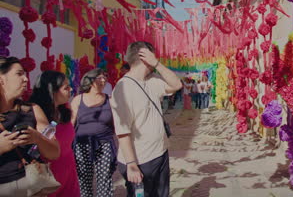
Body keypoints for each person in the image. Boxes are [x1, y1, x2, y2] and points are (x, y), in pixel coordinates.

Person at [110, 41, 182, 197]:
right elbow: (123, 132)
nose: (155, 59)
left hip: (160, 153)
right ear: (144, 57)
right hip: (141, 160)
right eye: (153, 56)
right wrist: (131, 164)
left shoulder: (152, 80)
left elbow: (176, 85)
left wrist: (157, 64)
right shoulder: (123, 89)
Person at [0, 56, 60, 196]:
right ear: (1, 79)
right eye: (19, 74)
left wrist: (37, 138)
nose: (26, 79)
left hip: (30, 187)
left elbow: (55, 153)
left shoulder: (32, 109)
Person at [29, 71, 80, 197]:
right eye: (66, 87)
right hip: (48, 173)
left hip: (68, 170)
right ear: (52, 90)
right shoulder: (33, 114)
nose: (71, 89)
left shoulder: (64, 110)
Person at [70, 68, 116, 197]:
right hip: (82, 144)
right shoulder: (78, 100)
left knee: (105, 177)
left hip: (105, 143)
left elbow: (118, 124)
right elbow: (70, 124)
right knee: (83, 178)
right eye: (99, 78)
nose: (103, 80)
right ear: (90, 80)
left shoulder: (110, 100)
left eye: (104, 77)